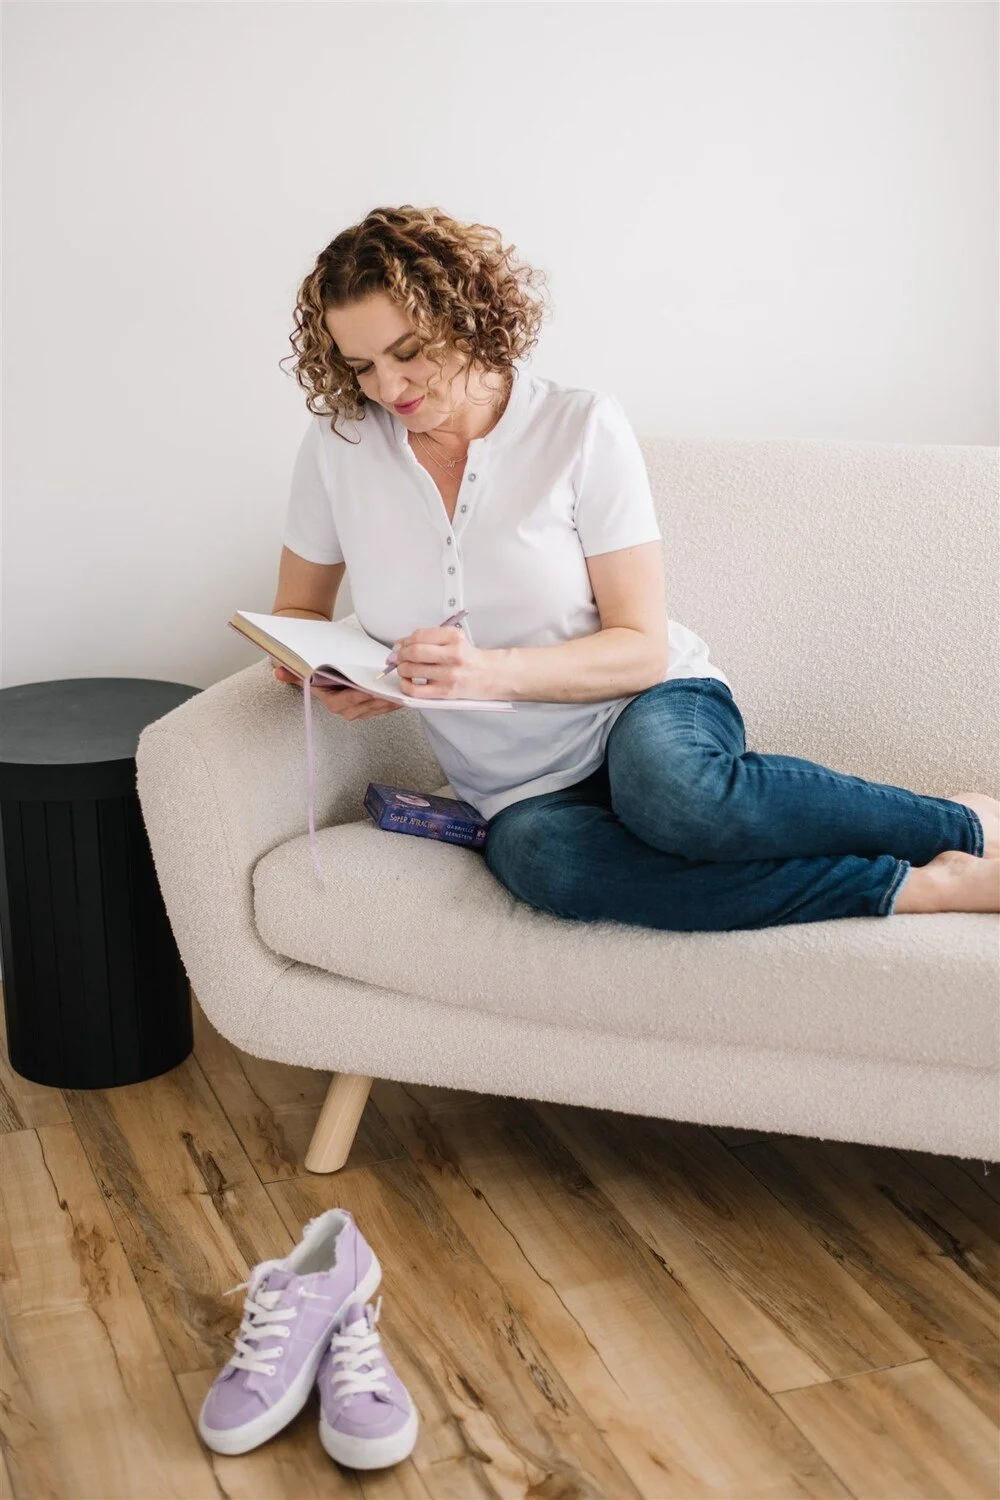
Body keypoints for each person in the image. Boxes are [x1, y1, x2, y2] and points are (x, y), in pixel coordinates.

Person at [271, 204, 999, 929]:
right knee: (547, 865)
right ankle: (925, 889)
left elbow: (641, 646)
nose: (388, 389)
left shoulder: (579, 426)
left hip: (639, 707)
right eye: (361, 365)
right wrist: (329, 675)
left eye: (408, 352)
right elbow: (299, 613)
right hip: (515, 783)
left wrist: (485, 672)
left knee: (676, 797)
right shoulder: (340, 448)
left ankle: (962, 824)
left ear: (465, 316)